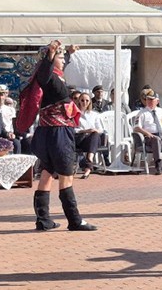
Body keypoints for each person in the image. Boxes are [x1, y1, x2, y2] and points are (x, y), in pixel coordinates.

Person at [29, 40, 96, 232]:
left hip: (48, 132)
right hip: (58, 133)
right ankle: (75, 220)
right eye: (59, 58)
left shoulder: (55, 76)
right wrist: (50, 54)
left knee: (47, 172)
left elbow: (56, 65)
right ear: (50, 60)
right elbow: (45, 72)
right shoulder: (47, 77)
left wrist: (68, 53)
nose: (62, 60)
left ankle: (43, 220)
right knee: (67, 174)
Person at [133, 89, 162, 175]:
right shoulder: (142, 113)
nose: (149, 101)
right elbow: (136, 128)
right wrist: (147, 133)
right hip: (150, 137)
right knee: (156, 139)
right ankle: (158, 165)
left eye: (151, 100)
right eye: (148, 99)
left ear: (157, 101)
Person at [75, 92, 105, 180]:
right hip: (81, 139)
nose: (84, 102)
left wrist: (94, 130)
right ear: (79, 101)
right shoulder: (76, 114)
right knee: (93, 135)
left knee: (95, 134)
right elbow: (73, 129)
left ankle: (89, 158)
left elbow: (101, 130)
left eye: (87, 100)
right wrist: (86, 130)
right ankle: (89, 164)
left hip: (93, 139)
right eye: (82, 100)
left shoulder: (95, 115)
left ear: (90, 102)